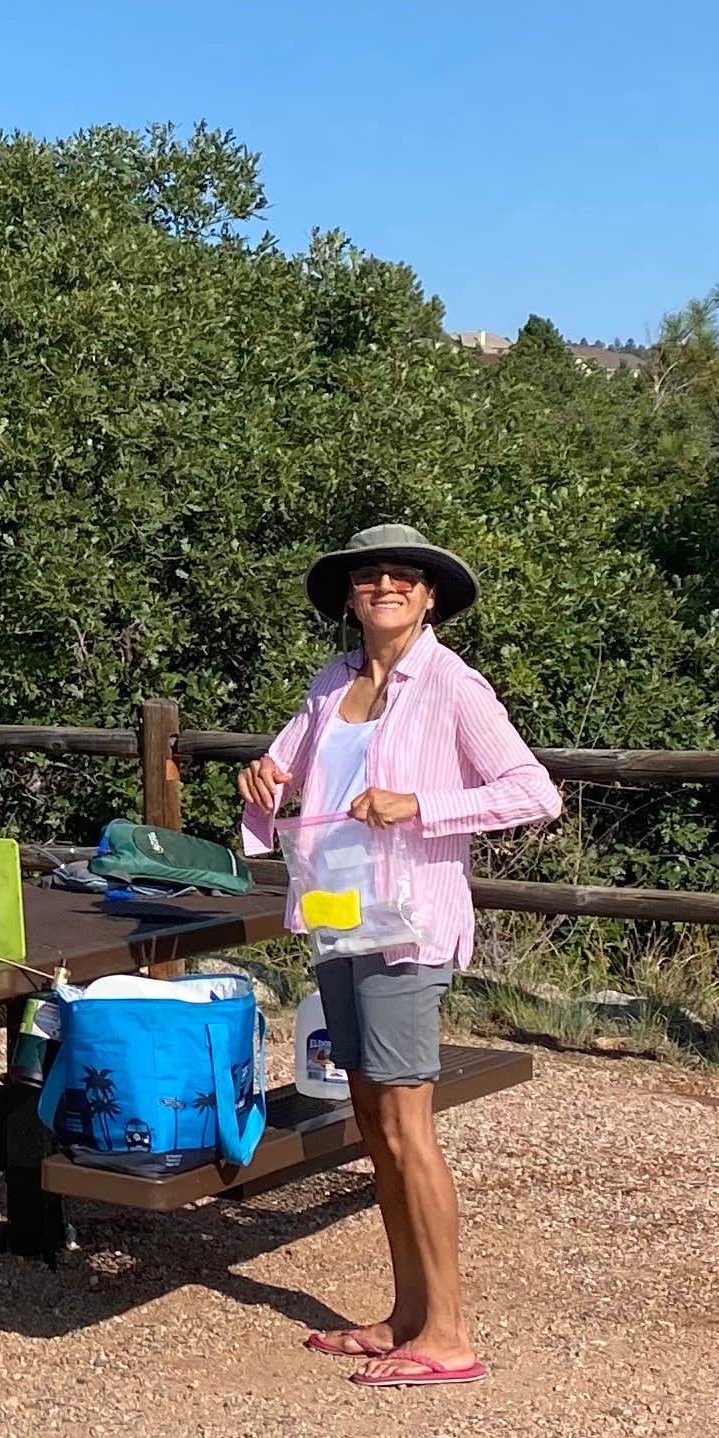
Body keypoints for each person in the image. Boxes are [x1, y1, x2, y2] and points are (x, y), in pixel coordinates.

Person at [234, 522, 560, 1388]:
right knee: (374, 1122)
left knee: (409, 1126)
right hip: (340, 920)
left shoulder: (454, 686)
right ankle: (407, 1313)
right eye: (369, 576)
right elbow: (281, 783)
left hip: (407, 925)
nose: (385, 587)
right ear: (350, 596)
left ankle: (449, 1332)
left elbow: (533, 792)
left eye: (403, 578)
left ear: (428, 597)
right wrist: (261, 786)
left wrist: (418, 804)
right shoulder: (329, 683)